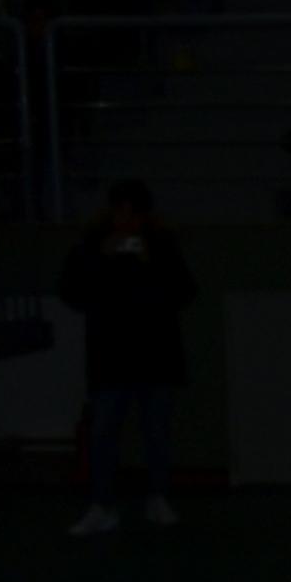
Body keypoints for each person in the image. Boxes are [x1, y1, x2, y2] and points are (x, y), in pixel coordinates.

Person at [60, 180, 196, 536]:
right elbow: (70, 291)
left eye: (132, 213)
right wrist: (99, 257)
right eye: (120, 211)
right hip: (113, 357)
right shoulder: (91, 246)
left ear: (143, 216)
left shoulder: (163, 247)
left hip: (154, 356)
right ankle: (102, 504)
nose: (126, 221)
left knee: (156, 433)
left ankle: (157, 498)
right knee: (105, 433)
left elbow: (184, 291)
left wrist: (151, 262)